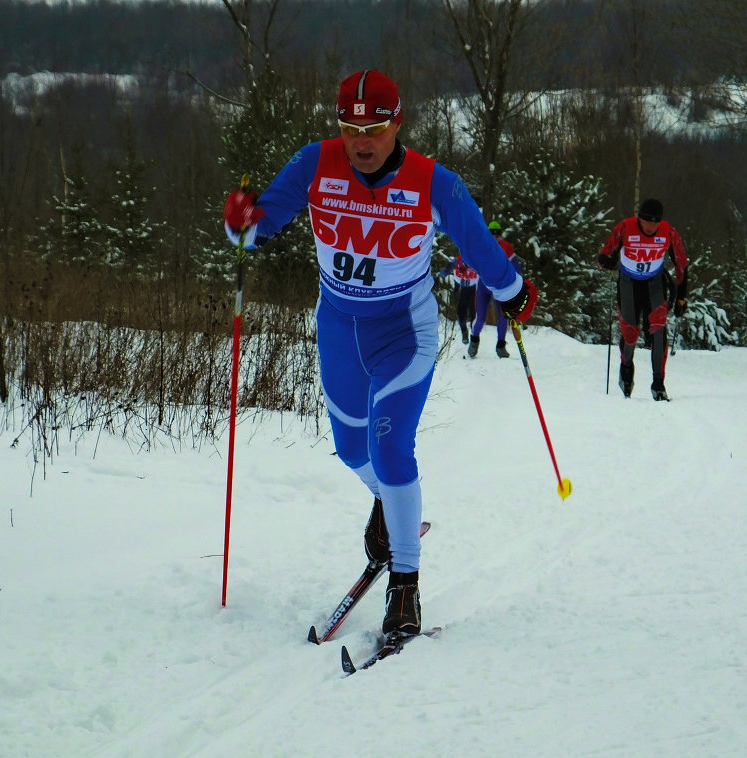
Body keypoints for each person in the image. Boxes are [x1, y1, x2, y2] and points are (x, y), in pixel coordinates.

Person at [223, 69, 537, 638]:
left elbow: (479, 244)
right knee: (350, 450)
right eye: (350, 128)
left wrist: (514, 293)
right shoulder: (316, 164)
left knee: (389, 446)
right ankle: (394, 513)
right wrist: (241, 221)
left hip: (403, 331)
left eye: (373, 129)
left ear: (397, 123)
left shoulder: (432, 183)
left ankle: (405, 587)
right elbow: (257, 229)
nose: (361, 142)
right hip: (339, 327)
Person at [596, 198, 689, 401]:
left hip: (654, 283)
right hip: (629, 282)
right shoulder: (625, 228)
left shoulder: (668, 232)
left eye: (655, 223)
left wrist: (681, 297)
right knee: (630, 332)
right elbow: (604, 254)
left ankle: (658, 383)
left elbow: (681, 263)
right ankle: (626, 370)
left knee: (658, 327)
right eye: (647, 222)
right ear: (640, 219)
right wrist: (607, 261)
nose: (651, 227)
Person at [468, 220, 518, 359]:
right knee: (481, 318)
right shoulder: (482, 246)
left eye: (497, 235)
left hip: (501, 289)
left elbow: (516, 267)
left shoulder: (507, 247)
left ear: (501, 235)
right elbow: (472, 262)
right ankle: (474, 341)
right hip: (484, 288)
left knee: (502, 317)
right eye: (492, 234)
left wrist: (517, 285)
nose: (495, 237)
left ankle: (500, 346)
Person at [436, 251, 478, 344]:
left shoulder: (477, 260)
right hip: (460, 289)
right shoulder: (457, 260)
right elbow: (447, 268)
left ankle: (474, 334)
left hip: (474, 289)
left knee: (473, 312)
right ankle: (464, 333)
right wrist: (443, 273)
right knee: (460, 312)